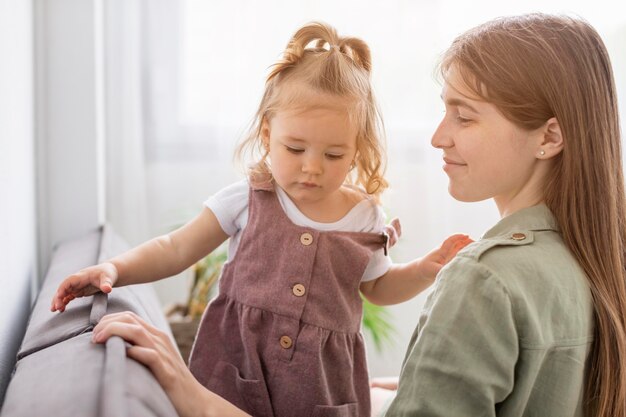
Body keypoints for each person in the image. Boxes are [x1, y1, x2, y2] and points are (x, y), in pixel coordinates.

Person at [50, 22, 469, 417]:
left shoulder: (364, 215)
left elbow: (378, 287)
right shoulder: (248, 199)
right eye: (295, 148)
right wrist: (114, 270)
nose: (312, 168)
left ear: (356, 152)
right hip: (234, 366)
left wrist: (426, 270)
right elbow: (176, 248)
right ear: (268, 135)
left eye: (334, 155)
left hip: (323, 388)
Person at [379, 13, 626, 417]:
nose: (438, 137)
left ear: (548, 137)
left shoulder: (484, 279)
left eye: (465, 116)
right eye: (445, 111)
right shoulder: (604, 260)